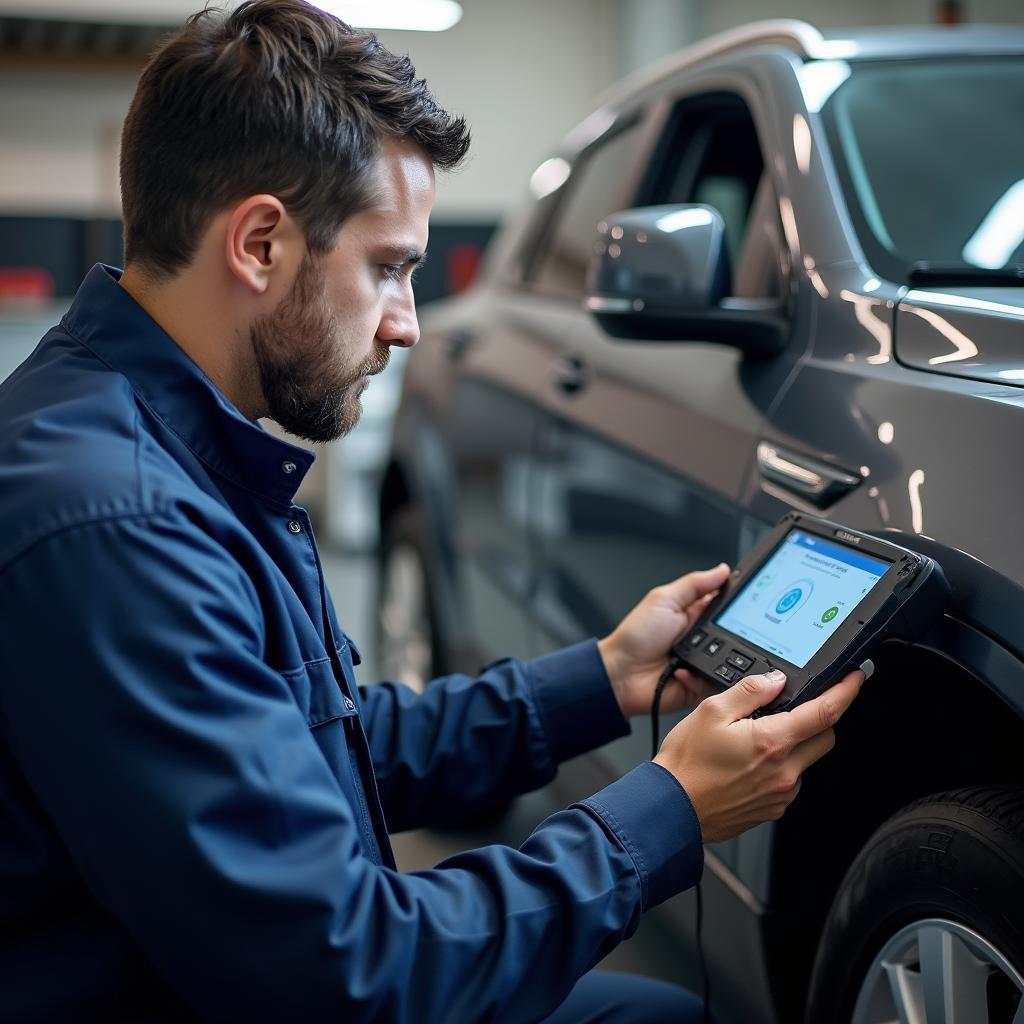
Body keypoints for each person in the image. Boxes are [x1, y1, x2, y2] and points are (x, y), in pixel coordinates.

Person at [0, 3, 863, 1021]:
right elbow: (349, 974)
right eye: (389, 268)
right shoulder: (118, 523)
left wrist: (600, 678)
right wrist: (666, 810)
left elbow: (314, 742)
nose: (409, 324)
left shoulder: (158, 440)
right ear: (262, 244)